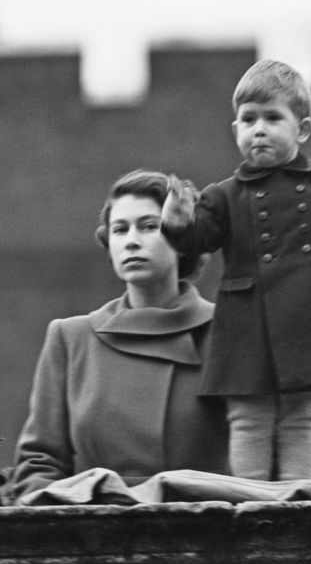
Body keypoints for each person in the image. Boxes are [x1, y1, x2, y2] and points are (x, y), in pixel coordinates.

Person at [162, 58, 311, 481]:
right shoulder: (224, 195)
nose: (259, 129)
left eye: (272, 118)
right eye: (248, 120)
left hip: (308, 315)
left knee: (301, 413)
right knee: (249, 414)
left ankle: (295, 497)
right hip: (248, 321)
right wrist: (178, 220)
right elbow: (198, 240)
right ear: (235, 131)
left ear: (301, 130)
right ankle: (252, 498)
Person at [12, 170, 228, 501]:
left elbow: (261, 457)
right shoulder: (71, 339)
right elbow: (38, 467)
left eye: (149, 226)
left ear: (184, 235)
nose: (131, 241)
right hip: (95, 540)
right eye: (119, 229)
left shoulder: (227, 332)